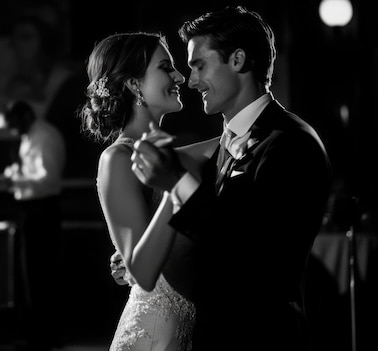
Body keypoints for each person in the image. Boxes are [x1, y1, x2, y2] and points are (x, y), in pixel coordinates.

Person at [128, 6, 332, 351]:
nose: (190, 81)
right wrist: (156, 260)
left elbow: (255, 259)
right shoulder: (227, 143)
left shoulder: (291, 142)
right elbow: (212, 244)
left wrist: (178, 182)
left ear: (237, 60)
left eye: (199, 66)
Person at [78, 31, 216, 351]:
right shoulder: (117, 158)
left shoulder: (174, 156)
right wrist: (173, 188)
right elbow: (142, 271)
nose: (180, 76)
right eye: (166, 67)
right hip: (153, 333)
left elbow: (226, 146)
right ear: (134, 84)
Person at [0, 99, 66, 351]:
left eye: (14, 125)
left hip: (43, 211)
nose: (13, 131)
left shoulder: (45, 136)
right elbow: (32, 172)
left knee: (42, 276)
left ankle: (45, 339)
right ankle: (37, 336)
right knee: (31, 276)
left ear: (24, 118)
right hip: (31, 211)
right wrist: (15, 176)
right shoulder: (30, 136)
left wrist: (14, 183)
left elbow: (48, 180)